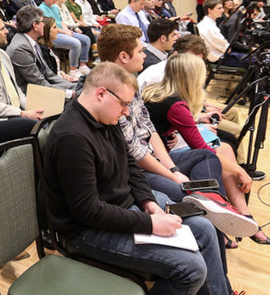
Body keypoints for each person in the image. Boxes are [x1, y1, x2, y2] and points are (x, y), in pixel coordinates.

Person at [43, 62, 233, 294]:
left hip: (122, 209)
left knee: (204, 226)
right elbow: (88, 211)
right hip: (86, 231)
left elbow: (130, 165)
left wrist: (148, 202)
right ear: (101, 93)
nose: (126, 111)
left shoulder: (104, 117)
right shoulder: (72, 136)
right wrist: (150, 223)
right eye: (123, 103)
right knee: (191, 270)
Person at [142, 54, 264, 241]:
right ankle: (225, 220)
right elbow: (200, 147)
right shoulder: (176, 105)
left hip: (155, 154)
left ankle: (239, 216)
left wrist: (173, 132)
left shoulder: (156, 91)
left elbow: (156, 128)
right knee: (211, 157)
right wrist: (240, 170)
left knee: (223, 150)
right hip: (156, 160)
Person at [6, 6, 75, 93]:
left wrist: (74, 86)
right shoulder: (20, 49)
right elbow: (38, 82)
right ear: (35, 25)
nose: (44, 25)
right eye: (42, 22)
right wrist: (69, 93)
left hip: (42, 89)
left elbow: (49, 74)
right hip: (30, 96)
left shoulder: (31, 42)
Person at [39, 0, 91, 77]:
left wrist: (67, 31)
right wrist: (65, 32)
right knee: (76, 43)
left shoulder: (55, 7)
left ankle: (83, 65)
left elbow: (61, 21)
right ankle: (73, 69)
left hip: (63, 31)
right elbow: (51, 27)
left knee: (86, 39)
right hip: (53, 35)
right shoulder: (42, 9)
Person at [198, 0, 248, 67]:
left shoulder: (207, 24)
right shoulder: (209, 27)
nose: (222, 10)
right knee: (256, 60)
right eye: (219, 8)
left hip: (219, 56)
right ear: (210, 10)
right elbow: (227, 49)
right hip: (219, 58)